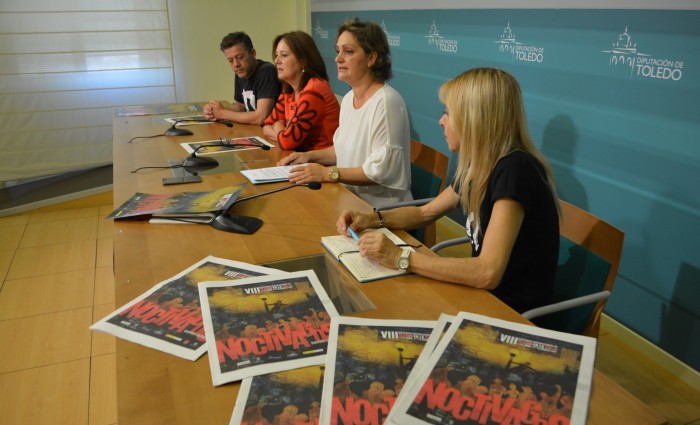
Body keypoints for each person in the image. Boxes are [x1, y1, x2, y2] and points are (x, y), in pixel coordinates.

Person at [336, 68, 561, 313]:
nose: (441, 121)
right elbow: (425, 214)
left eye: (448, 113)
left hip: (508, 311)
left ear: (474, 119)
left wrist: (401, 258)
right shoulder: (480, 164)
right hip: (480, 295)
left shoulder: (515, 170)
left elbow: (488, 273)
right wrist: (373, 219)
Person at [276, 18, 412, 208]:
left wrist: (327, 174)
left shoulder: (386, 102)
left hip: (380, 211)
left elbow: (380, 171)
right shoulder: (348, 99)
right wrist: (309, 156)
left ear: (371, 58)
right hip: (348, 200)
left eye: (348, 52)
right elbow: (342, 150)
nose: (338, 58)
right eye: (338, 51)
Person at [262, 31, 339, 151]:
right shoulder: (288, 90)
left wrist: (278, 125)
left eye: (284, 55)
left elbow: (287, 142)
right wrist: (282, 133)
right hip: (300, 158)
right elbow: (266, 125)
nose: (277, 61)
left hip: (321, 163)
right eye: (276, 55)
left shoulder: (315, 89)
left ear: (303, 60)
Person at [203, 31, 280, 125]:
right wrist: (216, 111)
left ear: (253, 53)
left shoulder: (266, 71)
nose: (236, 64)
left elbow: (260, 117)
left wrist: (223, 113)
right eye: (230, 60)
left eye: (240, 57)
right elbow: (241, 105)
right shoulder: (241, 72)